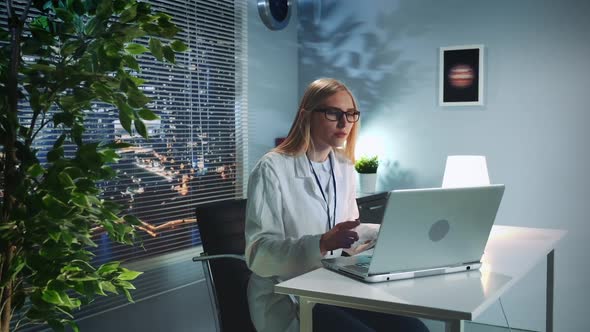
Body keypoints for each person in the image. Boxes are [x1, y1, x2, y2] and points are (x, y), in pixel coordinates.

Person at [244, 78, 429, 332]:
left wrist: (386, 232)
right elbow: (258, 254)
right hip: (289, 294)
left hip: (332, 284)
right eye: (333, 113)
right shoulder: (272, 169)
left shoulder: (343, 165)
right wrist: (321, 243)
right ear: (306, 116)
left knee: (414, 329)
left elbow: (348, 230)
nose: (345, 123)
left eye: (350, 114)